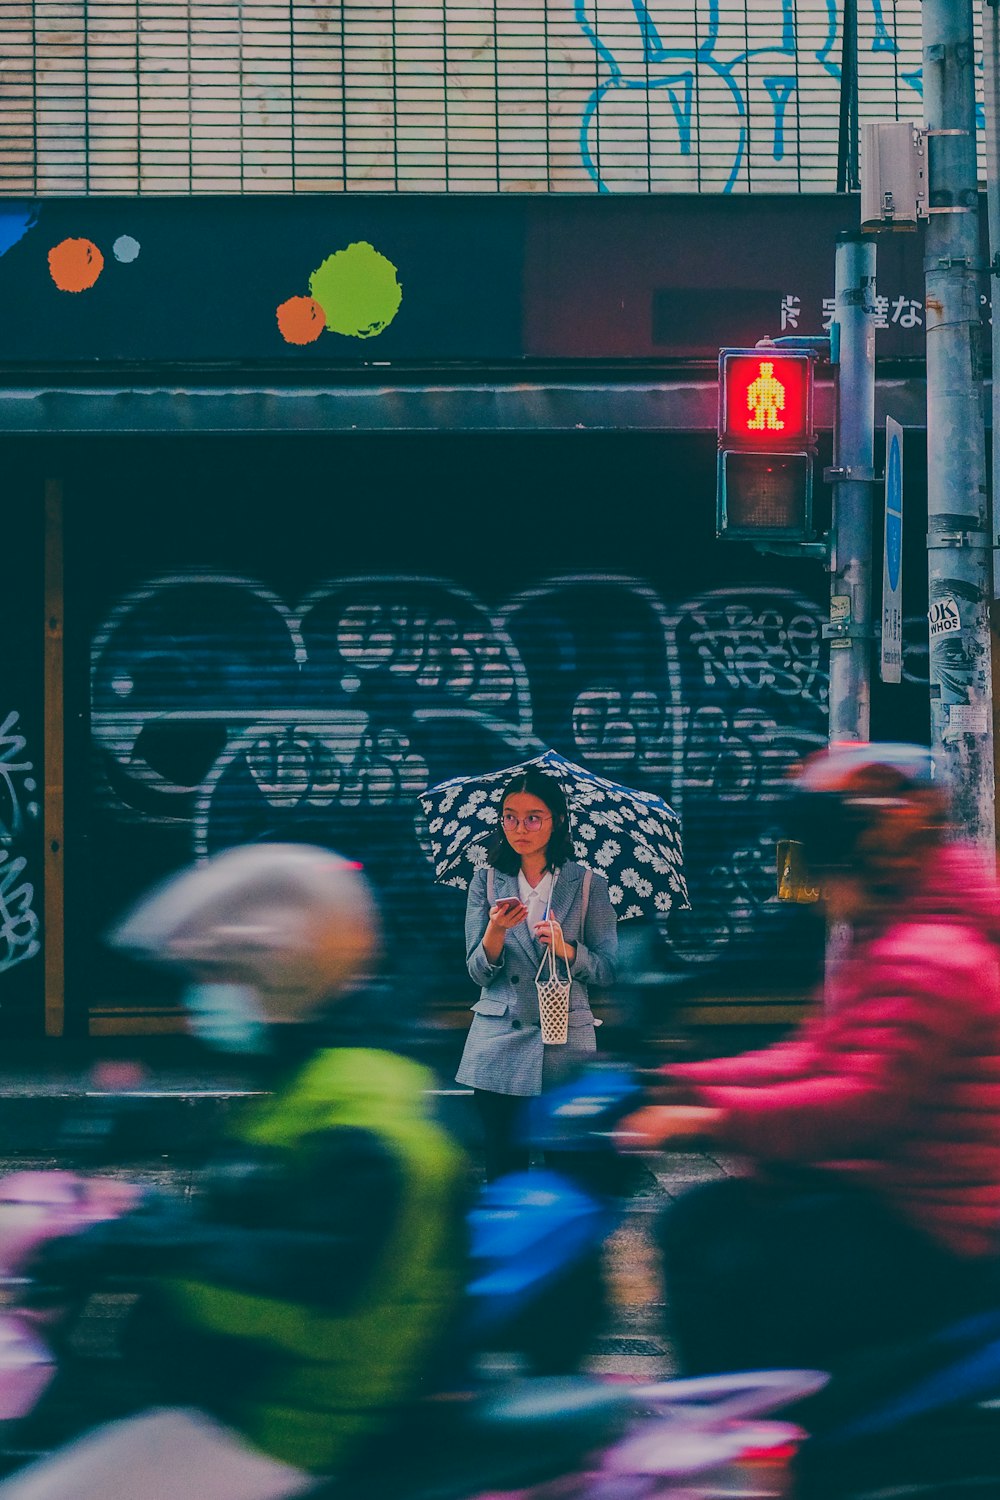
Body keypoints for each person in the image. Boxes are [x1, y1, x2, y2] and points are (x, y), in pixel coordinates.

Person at [7, 844, 469, 1500]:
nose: (201, 996)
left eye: (215, 972)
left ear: (275, 974)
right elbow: (259, 1219)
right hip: (242, 1394)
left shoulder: (367, 1113)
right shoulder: (317, 1080)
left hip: (290, 1420)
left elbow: (319, 1287)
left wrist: (155, 1245)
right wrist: (144, 1219)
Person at [618, 743, 1000, 1378]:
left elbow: (862, 1100)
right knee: (700, 1220)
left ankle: (761, 1439)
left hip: (938, 1228)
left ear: (868, 854)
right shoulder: (895, 939)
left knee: (735, 1262)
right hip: (899, 1198)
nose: (814, 884)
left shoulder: (930, 954)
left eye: (823, 861)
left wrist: (708, 1119)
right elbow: (818, 1053)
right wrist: (681, 1083)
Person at [457, 767, 618, 1182]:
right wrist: (496, 930)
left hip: (564, 1046)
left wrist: (568, 950)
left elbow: (607, 970)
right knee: (502, 1170)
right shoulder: (486, 881)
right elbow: (477, 971)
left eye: (533, 817)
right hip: (498, 1044)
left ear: (557, 820)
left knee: (568, 1171)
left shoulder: (587, 885)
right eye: (510, 816)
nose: (519, 827)